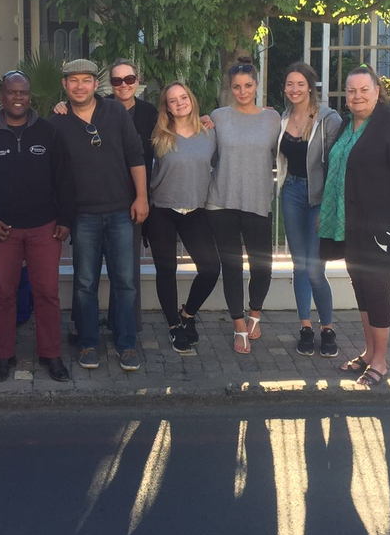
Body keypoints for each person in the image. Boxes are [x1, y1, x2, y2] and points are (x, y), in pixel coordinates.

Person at [0, 71, 74, 382]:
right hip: (3, 231)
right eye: (12, 92)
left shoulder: (48, 133)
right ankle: (4, 356)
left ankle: (51, 354)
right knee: (2, 294)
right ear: (3, 94)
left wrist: (65, 219)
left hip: (45, 228)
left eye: (23, 93)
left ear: (29, 96)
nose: (17, 98)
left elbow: (65, 179)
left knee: (47, 293)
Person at [319, 64, 390, 389]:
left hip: (381, 225)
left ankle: (380, 361)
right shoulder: (346, 125)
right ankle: (368, 351)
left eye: (364, 90)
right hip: (350, 224)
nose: (357, 96)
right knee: (361, 287)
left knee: (377, 290)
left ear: (377, 91)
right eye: (351, 91)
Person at [50, 59, 148, 372]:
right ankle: (88, 342)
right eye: (73, 80)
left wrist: (142, 197)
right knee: (84, 282)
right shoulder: (57, 122)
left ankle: (127, 343)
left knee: (125, 282)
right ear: (65, 85)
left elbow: (136, 155)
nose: (80, 86)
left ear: (96, 84)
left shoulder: (115, 112)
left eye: (86, 80)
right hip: (83, 216)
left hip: (121, 210)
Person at [206, 57, 279, 354]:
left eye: (248, 85)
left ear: (257, 85)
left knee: (262, 267)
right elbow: (204, 151)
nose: (243, 91)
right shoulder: (218, 117)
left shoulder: (273, 118)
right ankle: (238, 325)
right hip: (221, 201)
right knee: (232, 267)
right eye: (236, 86)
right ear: (230, 88)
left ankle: (255, 315)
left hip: (258, 201)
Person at [146, 82, 220, 354]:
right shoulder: (157, 134)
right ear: (166, 106)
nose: (179, 103)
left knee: (211, 268)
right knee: (166, 271)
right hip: (161, 211)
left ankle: (188, 314)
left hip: (195, 211)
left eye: (183, 97)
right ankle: (174, 326)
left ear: (192, 98)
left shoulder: (210, 132)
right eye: (172, 100)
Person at [275, 63, 342, 357]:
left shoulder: (328, 119)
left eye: (300, 84)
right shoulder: (282, 118)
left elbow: (335, 164)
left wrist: (329, 204)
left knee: (315, 268)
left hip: (319, 198)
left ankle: (327, 327)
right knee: (299, 265)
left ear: (310, 86)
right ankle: (305, 326)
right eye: (290, 84)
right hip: (291, 192)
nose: (294, 89)